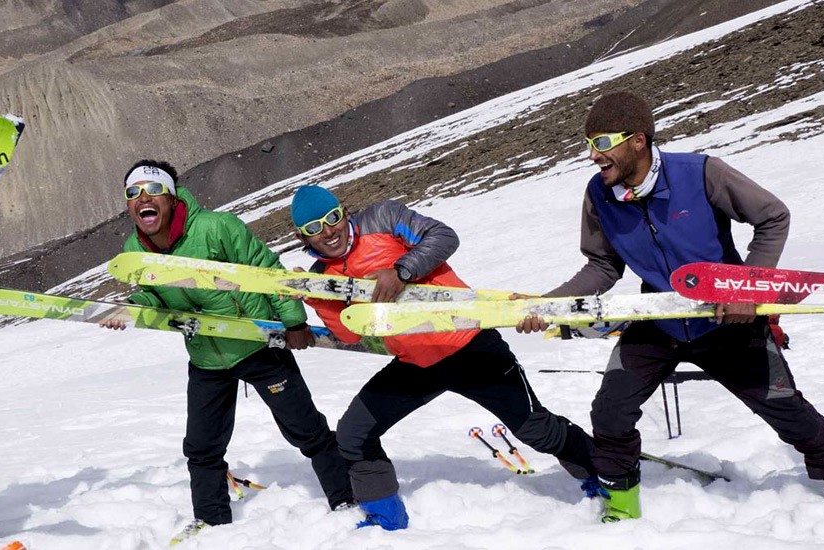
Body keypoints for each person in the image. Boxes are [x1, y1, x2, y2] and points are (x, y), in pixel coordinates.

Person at [515, 91, 824, 522]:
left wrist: (746, 290)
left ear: (638, 140)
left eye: (603, 142)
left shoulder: (700, 173)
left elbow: (773, 216)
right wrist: (551, 306)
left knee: (790, 414)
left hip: (727, 321)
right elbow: (602, 265)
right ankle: (621, 512)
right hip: (659, 320)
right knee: (610, 412)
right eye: (589, 144)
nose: (594, 155)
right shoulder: (600, 195)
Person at [289, 184, 602, 531]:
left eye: (332, 218)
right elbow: (350, 333)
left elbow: (443, 236)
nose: (329, 231)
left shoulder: (382, 218)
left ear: (344, 212)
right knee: (353, 434)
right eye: (314, 228)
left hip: (471, 346)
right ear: (303, 236)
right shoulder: (321, 276)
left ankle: (603, 473)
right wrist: (317, 298)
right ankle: (386, 519)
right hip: (417, 364)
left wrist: (402, 270)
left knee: (537, 430)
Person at [103, 160, 353, 540]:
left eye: (152, 191)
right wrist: (132, 307)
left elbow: (265, 269)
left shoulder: (217, 228)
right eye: (133, 193)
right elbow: (152, 292)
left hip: (257, 346)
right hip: (205, 355)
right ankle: (211, 521)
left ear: (170, 197)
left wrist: (294, 322)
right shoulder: (134, 250)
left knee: (306, 430)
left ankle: (346, 499)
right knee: (202, 446)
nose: (143, 199)